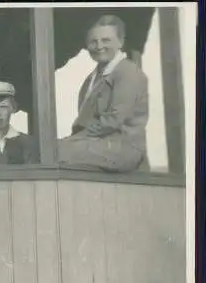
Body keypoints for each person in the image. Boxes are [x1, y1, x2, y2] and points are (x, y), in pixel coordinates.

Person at [57, 15, 149, 173]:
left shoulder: (127, 72)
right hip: (97, 144)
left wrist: (74, 140)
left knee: (54, 151)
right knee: (49, 149)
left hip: (122, 149)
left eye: (106, 40)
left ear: (120, 42)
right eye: (93, 41)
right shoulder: (92, 79)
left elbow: (112, 121)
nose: (99, 46)